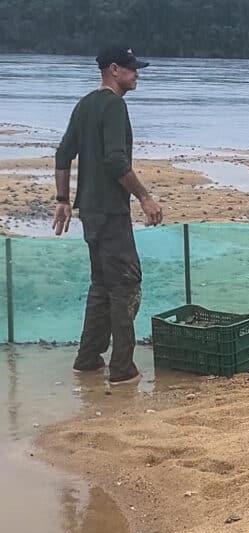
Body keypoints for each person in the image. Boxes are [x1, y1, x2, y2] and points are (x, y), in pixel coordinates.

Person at [52, 46, 163, 385]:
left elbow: (62, 154)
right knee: (126, 285)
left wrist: (63, 200)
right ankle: (122, 369)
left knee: (101, 283)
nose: (137, 74)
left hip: (90, 213)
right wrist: (145, 197)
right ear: (113, 70)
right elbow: (116, 161)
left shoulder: (85, 104)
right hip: (112, 213)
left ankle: (87, 359)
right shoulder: (114, 106)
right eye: (131, 69)